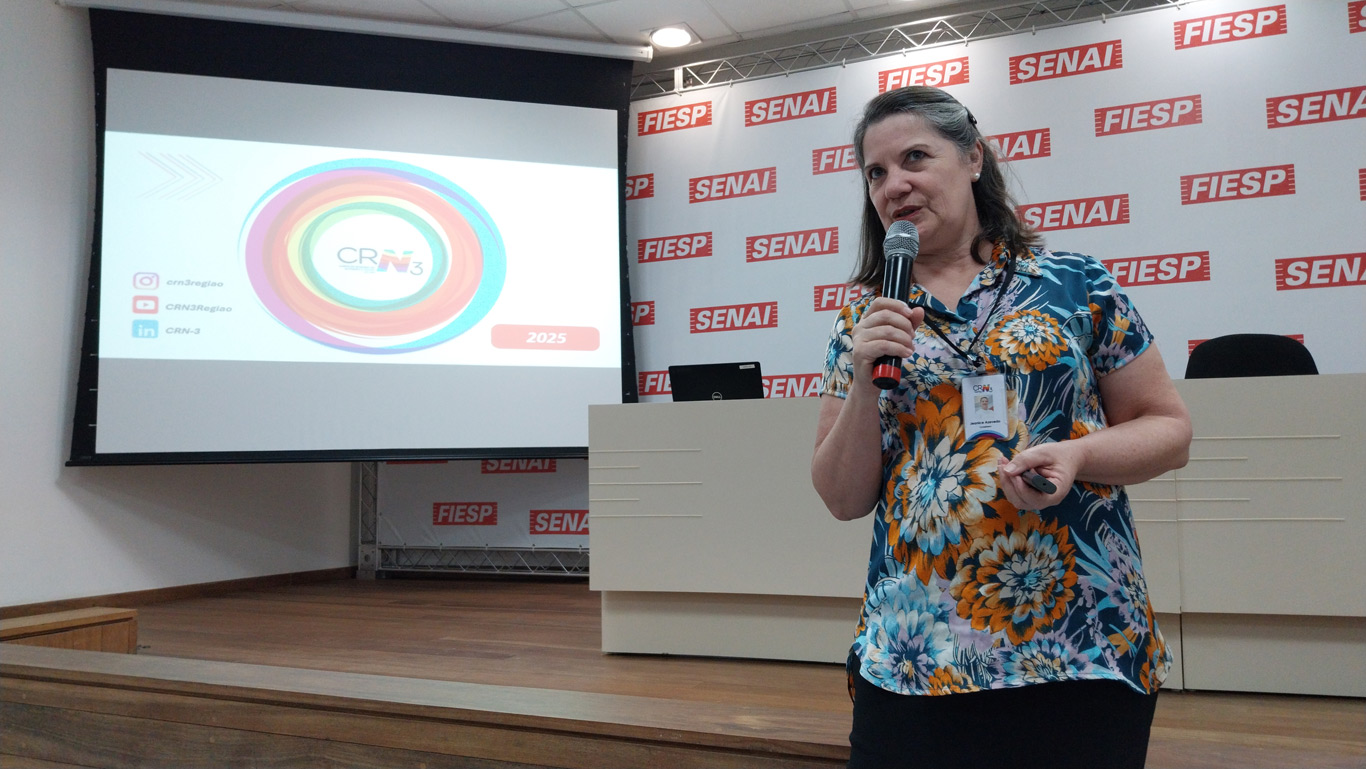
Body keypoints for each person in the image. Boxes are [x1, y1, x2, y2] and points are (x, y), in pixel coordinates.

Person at [811, 86, 1192, 769]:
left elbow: (1168, 429)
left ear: (973, 159)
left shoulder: (1075, 284)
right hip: (916, 655)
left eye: (915, 158)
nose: (894, 184)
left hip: (1080, 643)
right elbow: (841, 497)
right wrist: (865, 378)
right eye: (875, 172)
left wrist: (1078, 456)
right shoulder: (863, 321)